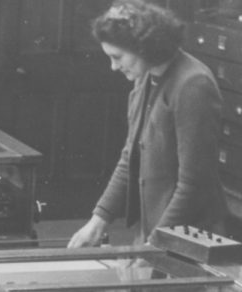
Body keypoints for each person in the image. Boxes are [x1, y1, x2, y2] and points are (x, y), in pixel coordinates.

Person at [68, 0, 226, 247]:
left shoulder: (193, 85)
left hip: (189, 239)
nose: (113, 67)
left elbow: (193, 185)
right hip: (157, 232)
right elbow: (129, 157)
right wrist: (98, 220)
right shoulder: (146, 77)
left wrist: (153, 246)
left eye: (117, 57)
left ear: (143, 47)